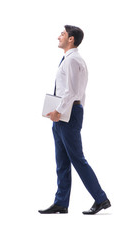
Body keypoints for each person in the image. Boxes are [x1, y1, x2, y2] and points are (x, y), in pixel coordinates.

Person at [39, 25, 111, 215]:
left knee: (77, 159)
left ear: (71, 39)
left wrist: (58, 111)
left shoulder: (72, 61)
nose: (58, 37)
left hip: (67, 114)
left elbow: (72, 92)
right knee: (61, 160)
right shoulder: (70, 59)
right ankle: (61, 202)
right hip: (65, 113)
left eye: (62, 34)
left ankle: (101, 198)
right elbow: (74, 91)